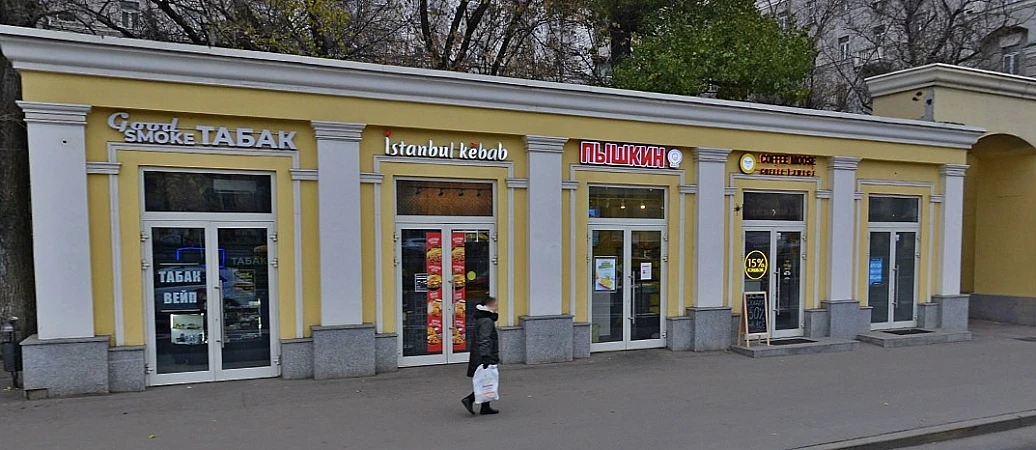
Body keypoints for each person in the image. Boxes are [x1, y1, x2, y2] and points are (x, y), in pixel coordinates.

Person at [462, 296, 500, 415]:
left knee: (486, 380)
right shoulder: (487, 321)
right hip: (484, 355)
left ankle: (485, 407)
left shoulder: (483, 318)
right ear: (488, 306)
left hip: (481, 354)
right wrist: (486, 357)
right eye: (494, 305)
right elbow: (484, 339)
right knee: (486, 380)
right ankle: (469, 399)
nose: (496, 307)